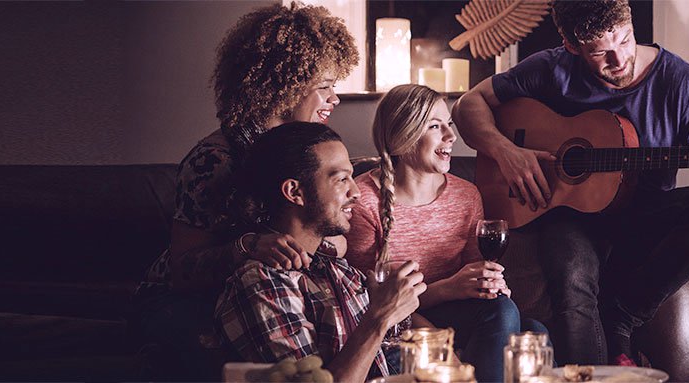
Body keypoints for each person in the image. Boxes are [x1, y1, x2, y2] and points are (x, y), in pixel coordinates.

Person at [452, 0, 689, 366]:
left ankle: (624, 315)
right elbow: (467, 105)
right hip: (573, 216)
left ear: (631, 21)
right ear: (572, 46)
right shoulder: (552, 68)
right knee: (571, 279)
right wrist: (507, 152)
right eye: (600, 52)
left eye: (624, 40)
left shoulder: (683, 83)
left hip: (644, 215)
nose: (619, 59)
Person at [131, 4, 359, 380]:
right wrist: (249, 246)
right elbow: (182, 272)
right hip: (184, 304)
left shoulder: (309, 152)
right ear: (286, 84)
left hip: (266, 295)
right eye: (324, 87)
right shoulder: (214, 161)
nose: (334, 99)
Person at [344, 84, 545, 382]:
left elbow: (474, 281)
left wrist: (487, 284)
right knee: (512, 322)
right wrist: (446, 290)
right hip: (396, 325)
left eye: (449, 125)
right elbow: (360, 304)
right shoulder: (363, 201)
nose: (451, 137)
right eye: (435, 126)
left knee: (532, 332)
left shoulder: (466, 195)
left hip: (453, 316)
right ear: (404, 137)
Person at [217, 122, 425, 381]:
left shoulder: (337, 269)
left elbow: (401, 333)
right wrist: (379, 317)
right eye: (341, 179)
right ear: (295, 192)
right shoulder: (262, 283)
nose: (357, 192)